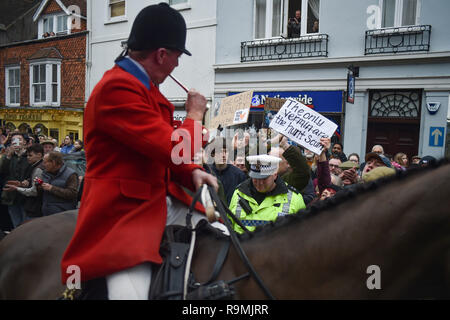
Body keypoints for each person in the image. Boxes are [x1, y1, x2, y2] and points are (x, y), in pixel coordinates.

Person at [61, 3, 217, 300]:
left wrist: (192, 171)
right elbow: (174, 148)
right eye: (177, 56)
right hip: (123, 213)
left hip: (159, 198)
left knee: (220, 236)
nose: (177, 65)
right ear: (161, 54)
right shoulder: (116, 89)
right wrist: (195, 116)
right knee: (129, 294)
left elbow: (158, 151)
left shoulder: (145, 88)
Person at [229, 154, 306, 234]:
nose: (260, 183)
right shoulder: (239, 193)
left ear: (275, 174)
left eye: (264, 178)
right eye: (256, 178)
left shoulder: (294, 198)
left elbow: (301, 235)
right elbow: (229, 226)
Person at [4, 144, 45, 219]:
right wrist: (22, 183)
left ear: (39, 155)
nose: (28, 158)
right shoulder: (35, 166)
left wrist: (16, 188)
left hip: (35, 207)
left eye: (30, 155)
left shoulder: (38, 169)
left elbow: (34, 191)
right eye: (27, 155)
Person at [0, 133, 32, 228]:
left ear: (25, 142)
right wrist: (8, 156)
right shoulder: (9, 156)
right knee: (16, 223)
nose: (16, 142)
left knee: (26, 224)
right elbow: (2, 170)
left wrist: (28, 181)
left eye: (19, 139)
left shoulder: (29, 155)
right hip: (11, 196)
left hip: (25, 196)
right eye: (14, 140)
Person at [204, 137, 247, 205]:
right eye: (220, 152)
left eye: (226, 151)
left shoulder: (239, 175)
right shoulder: (206, 173)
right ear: (213, 153)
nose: (223, 155)